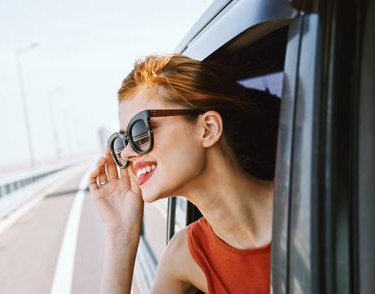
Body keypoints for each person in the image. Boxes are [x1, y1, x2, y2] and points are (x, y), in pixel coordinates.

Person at [88, 54, 279, 293]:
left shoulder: (315, 204)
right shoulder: (185, 257)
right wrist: (120, 235)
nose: (126, 153)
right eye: (122, 141)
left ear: (208, 129)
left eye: (140, 132)